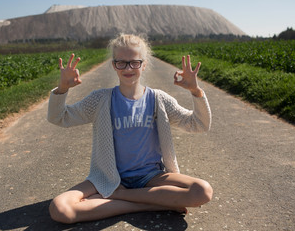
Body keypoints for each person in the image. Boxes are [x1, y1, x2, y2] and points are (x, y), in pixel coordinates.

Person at [47, 33, 213, 224]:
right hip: (109, 178)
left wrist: (195, 91)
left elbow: (198, 124)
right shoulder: (100, 99)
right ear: (113, 65)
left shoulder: (158, 99)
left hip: (151, 177)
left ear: (144, 64)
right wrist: (61, 89)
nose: (128, 68)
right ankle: (151, 203)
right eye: (121, 63)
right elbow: (60, 117)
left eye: (134, 62)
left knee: (202, 191)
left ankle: (119, 197)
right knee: (60, 210)